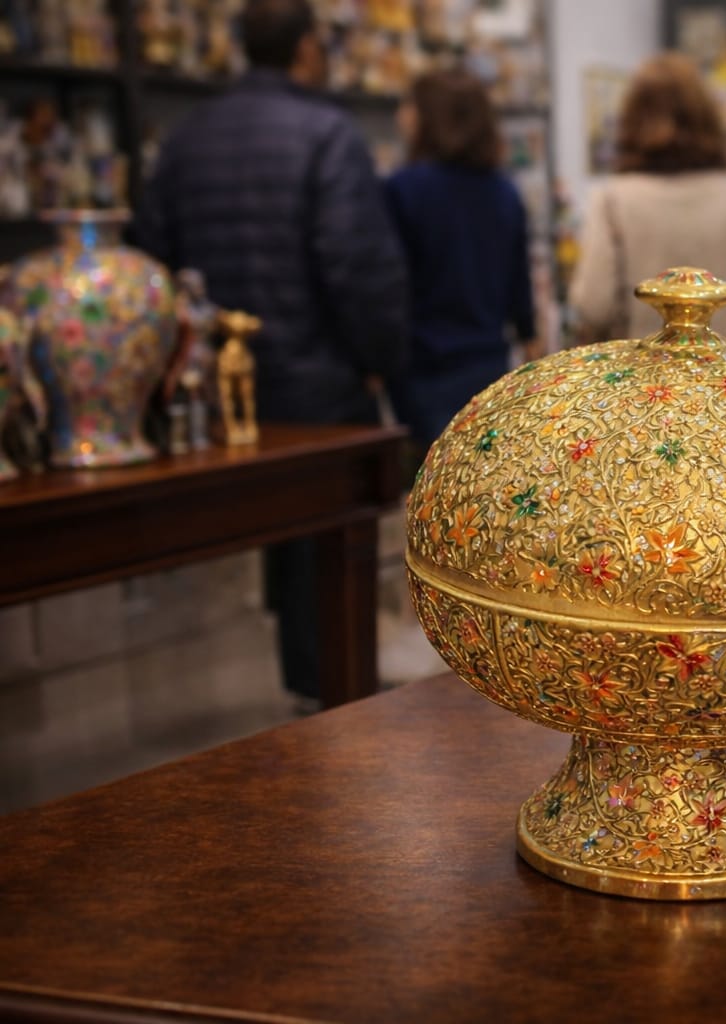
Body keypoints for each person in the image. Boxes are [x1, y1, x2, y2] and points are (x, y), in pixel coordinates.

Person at [135, 0, 408, 711]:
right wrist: (380, 359)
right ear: (308, 48)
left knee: (278, 539)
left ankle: (302, 686)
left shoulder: (187, 138)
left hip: (220, 385)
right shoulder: (326, 132)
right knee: (332, 548)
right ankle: (335, 700)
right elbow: (355, 264)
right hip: (318, 380)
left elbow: (152, 264)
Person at [569, 53, 726, 344]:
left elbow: (594, 305)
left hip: (647, 367)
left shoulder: (613, 200)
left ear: (633, 120)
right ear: (707, 119)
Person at [385, 68, 537, 454]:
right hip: (489, 364)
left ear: (430, 116)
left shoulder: (403, 189)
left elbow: (387, 286)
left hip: (423, 369)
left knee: (429, 480)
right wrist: (530, 339)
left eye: (410, 105)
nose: (401, 115)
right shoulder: (504, 192)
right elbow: (520, 286)